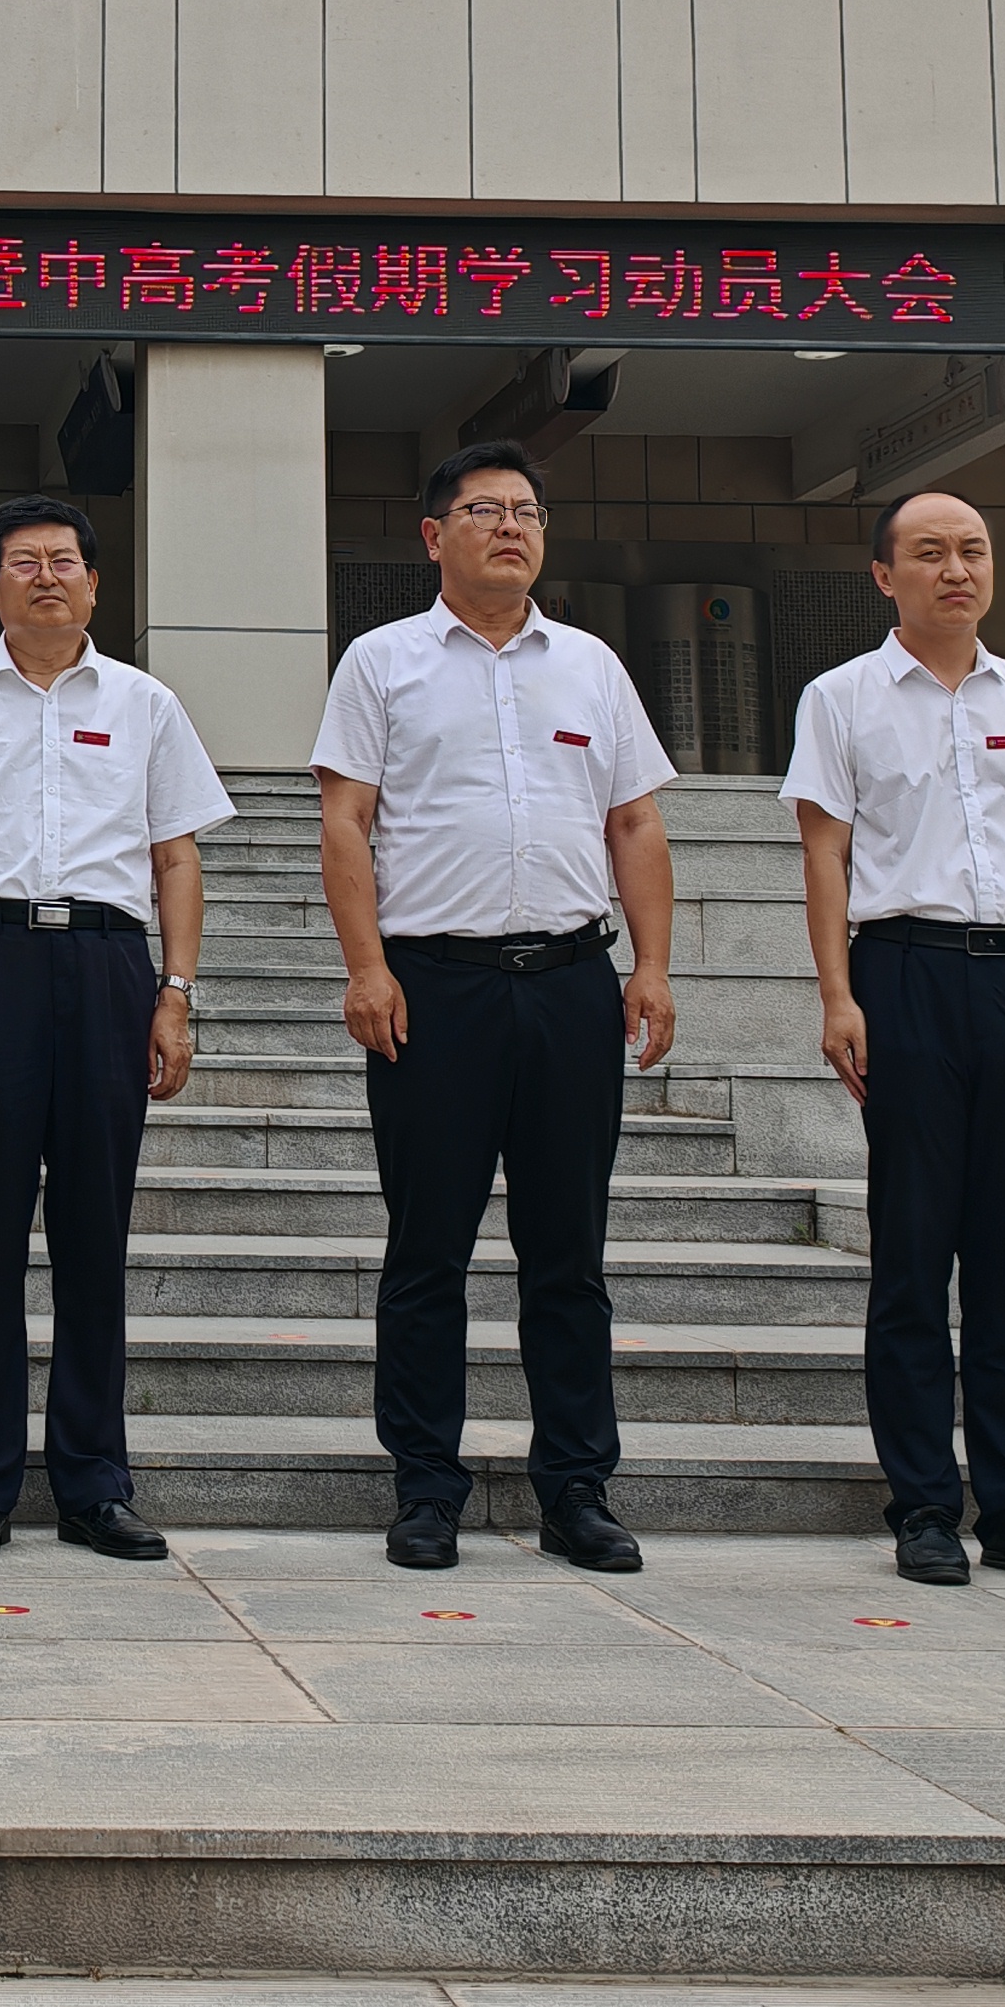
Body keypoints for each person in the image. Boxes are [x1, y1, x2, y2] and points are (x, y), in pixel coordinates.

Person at [314, 439, 676, 1575]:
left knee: (569, 1254)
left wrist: (652, 966)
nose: (511, 526)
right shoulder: (381, 662)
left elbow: (635, 823)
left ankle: (576, 1489)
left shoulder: (592, 666)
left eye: (526, 511)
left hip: (571, 985)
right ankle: (427, 1487)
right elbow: (344, 821)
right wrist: (366, 967)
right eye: (484, 510)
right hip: (435, 991)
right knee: (427, 1251)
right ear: (435, 536)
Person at [0, 494, 231, 1563]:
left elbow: (176, 857)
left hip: (108, 964)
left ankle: (92, 1484)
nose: (45, 577)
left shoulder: (145, 703)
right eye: (23, 563)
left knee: (93, 1235)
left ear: (93, 583)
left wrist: (175, 992)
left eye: (63, 561)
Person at [783, 488, 1005, 1591]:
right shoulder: (841, 698)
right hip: (905, 973)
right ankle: (924, 1504)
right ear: (886, 576)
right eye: (930, 553)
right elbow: (825, 855)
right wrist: (839, 997)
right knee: (914, 1251)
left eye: (973, 550)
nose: (957, 570)